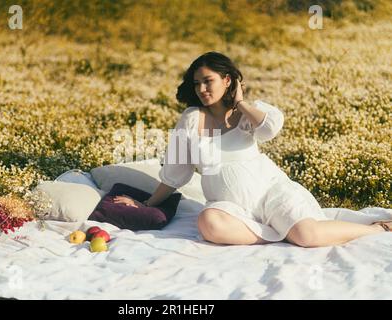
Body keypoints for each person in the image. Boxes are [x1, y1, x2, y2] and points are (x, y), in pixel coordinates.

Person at [113, 51, 391, 247]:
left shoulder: (248, 113)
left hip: (271, 193)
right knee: (208, 223)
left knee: (308, 237)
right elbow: (175, 174)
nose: (201, 88)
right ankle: (279, 234)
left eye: (208, 80)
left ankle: (375, 228)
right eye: (196, 83)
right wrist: (146, 204)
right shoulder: (190, 119)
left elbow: (271, 128)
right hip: (231, 208)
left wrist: (241, 102)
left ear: (227, 80)